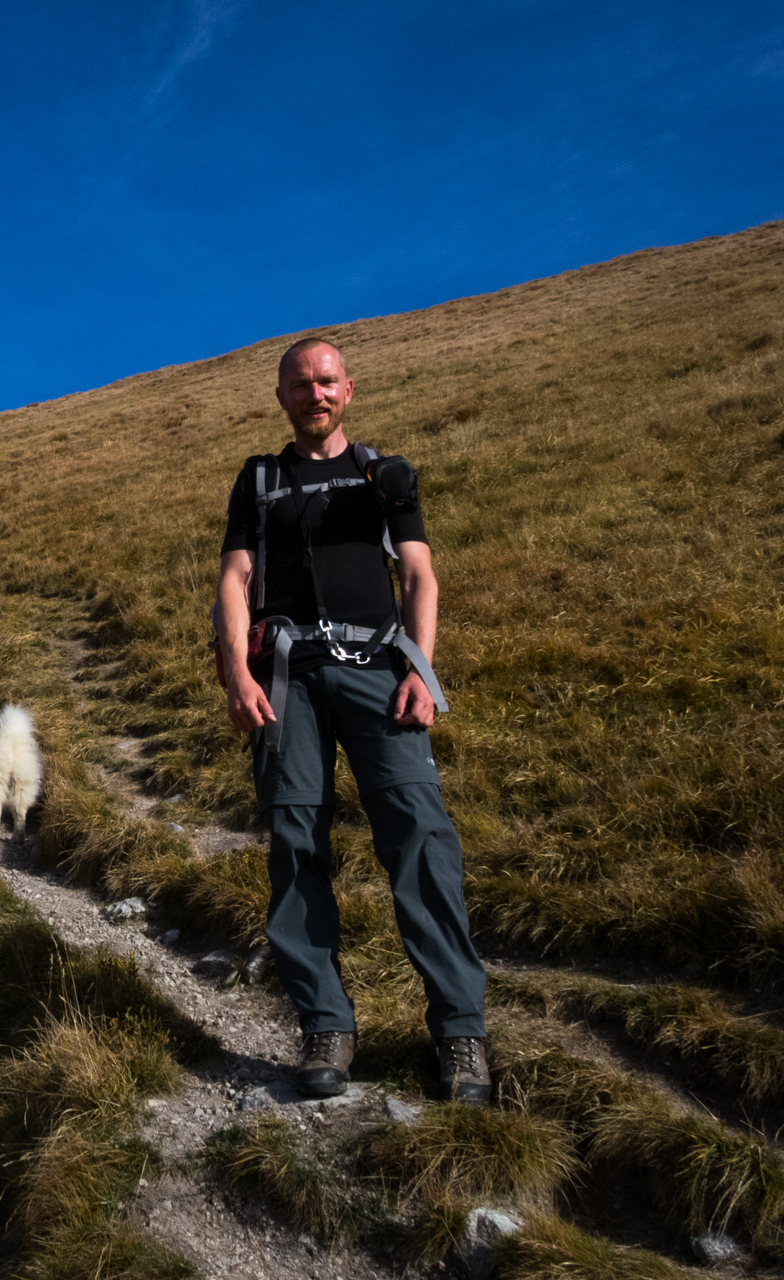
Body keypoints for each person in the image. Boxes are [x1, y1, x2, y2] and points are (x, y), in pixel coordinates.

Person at [214, 337, 490, 1104]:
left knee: (420, 837)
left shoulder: (383, 475)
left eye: (327, 381)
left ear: (349, 389)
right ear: (282, 397)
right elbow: (235, 581)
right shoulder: (260, 479)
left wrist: (421, 671)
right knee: (296, 842)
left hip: (381, 675)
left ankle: (460, 1032)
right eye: (300, 384)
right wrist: (235, 672)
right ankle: (326, 1026)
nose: (315, 394)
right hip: (286, 682)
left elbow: (420, 575)